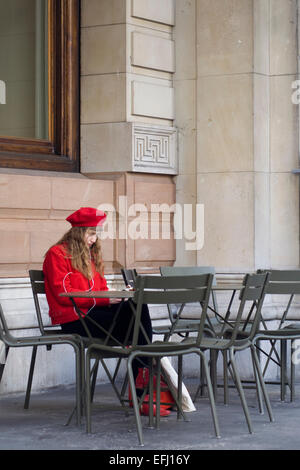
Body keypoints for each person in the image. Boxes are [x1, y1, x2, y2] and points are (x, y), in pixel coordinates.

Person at [43, 207, 157, 413]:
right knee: (139, 331)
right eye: (91, 233)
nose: (94, 239)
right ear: (78, 233)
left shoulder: (92, 255)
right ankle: (143, 388)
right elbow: (64, 294)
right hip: (74, 318)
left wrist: (116, 297)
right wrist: (106, 300)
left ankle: (143, 381)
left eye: (96, 234)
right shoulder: (56, 254)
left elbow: (101, 289)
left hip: (94, 314)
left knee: (136, 306)